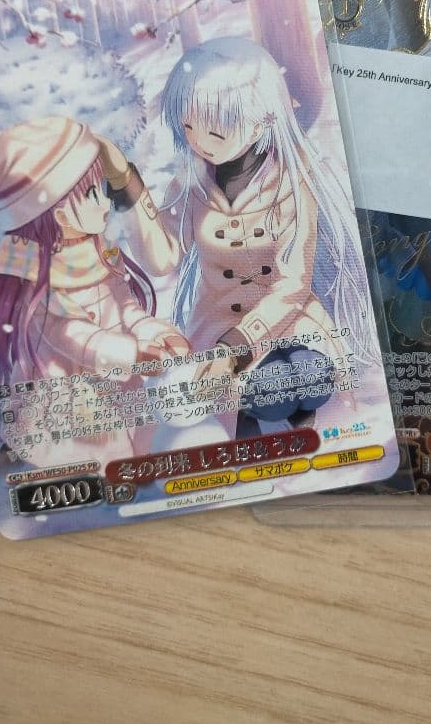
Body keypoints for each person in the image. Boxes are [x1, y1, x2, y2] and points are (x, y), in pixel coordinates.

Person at [131, 36, 376, 434]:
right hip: (214, 326)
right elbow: (163, 257)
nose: (199, 142)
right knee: (246, 401)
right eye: (188, 126)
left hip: (288, 320)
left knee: (301, 377)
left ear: (262, 118)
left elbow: (292, 283)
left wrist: (237, 346)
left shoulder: (292, 181)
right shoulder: (189, 184)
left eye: (216, 131)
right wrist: (130, 194)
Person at [0, 116, 189, 464]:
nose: (105, 202)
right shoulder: (36, 275)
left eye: (102, 189)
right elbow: (67, 333)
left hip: (116, 387)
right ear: (58, 214)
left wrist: (154, 332)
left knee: (132, 453)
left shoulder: (98, 250)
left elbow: (125, 306)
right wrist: (129, 353)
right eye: (93, 194)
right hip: (64, 399)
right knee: (77, 464)